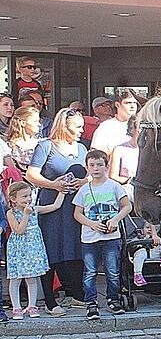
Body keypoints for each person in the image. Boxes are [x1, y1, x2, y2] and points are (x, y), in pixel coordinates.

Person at [26, 108, 88, 314]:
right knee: (51, 249)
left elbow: (89, 174)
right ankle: (50, 300)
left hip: (75, 205)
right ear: (64, 125)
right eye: (77, 126)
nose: (82, 130)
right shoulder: (46, 146)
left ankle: (76, 294)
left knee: (75, 247)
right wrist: (54, 185)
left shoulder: (82, 148)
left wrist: (83, 182)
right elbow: (31, 175)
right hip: (52, 205)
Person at [72, 149, 132, 320]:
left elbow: (126, 206)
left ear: (106, 166)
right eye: (92, 165)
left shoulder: (114, 186)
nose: (96, 168)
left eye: (99, 165)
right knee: (90, 271)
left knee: (112, 270)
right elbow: (77, 214)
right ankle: (91, 302)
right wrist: (91, 224)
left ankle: (113, 299)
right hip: (90, 238)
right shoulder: (84, 190)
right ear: (87, 168)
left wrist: (115, 220)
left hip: (111, 237)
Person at [6, 181, 66, 320]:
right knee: (15, 279)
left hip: (33, 248)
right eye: (24, 196)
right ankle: (17, 307)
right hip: (18, 249)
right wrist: (26, 214)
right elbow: (19, 230)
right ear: (14, 199)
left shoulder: (35, 208)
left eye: (29, 195)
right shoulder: (11, 213)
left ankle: (32, 306)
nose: (28, 199)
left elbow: (55, 206)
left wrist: (61, 192)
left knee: (32, 278)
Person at [91, 90, 139, 157]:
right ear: (117, 105)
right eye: (128, 103)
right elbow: (96, 154)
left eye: (135, 103)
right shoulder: (106, 127)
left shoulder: (142, 125)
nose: (132, 106)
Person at [129, 222, 161, 287]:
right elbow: (131, 244)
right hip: (142, 255)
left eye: (153, 229)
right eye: (147, 228)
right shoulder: (138, 238)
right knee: (141, 253)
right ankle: (138, 274)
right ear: (141, 230)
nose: (150, 230)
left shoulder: (158, 238)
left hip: (154, 255)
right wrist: (142, 241)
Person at [109, 115, 139, 199]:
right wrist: (130, 181)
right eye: (139, 127)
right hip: (126, 190)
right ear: (132, 129)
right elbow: (112, 176)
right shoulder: (119, 149)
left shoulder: (150, 150)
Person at [7, 106, 41, 175]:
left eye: (39, 121)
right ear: (23, 123)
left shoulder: (41, 144)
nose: (39, 124)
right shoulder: (8, 147)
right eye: (35, 121)